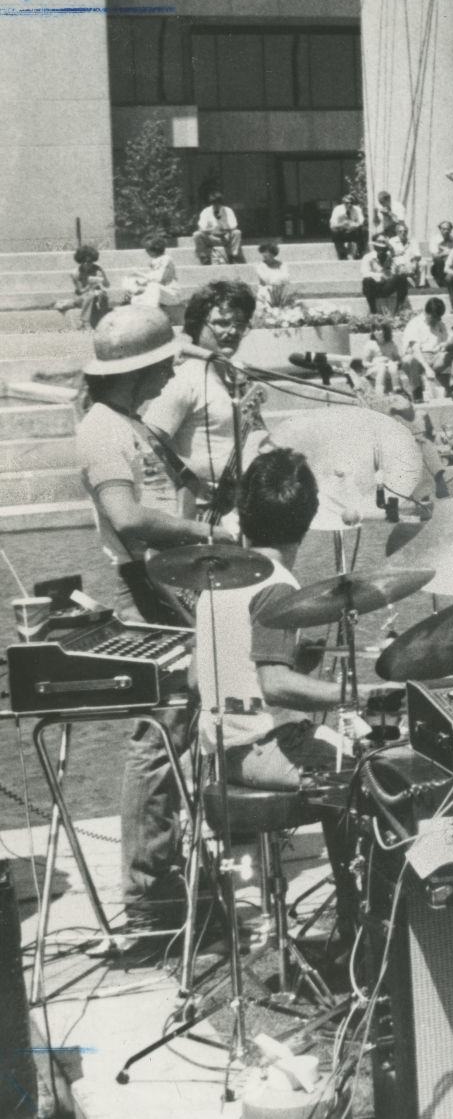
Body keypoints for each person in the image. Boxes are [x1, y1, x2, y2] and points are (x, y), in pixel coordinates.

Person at [77, 308, 236, 947]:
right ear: (136, 368)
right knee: (159, 738)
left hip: (166, 583)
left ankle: (168, 877)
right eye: (165, 360)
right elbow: (127, 516)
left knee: (178, 731)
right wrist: (209, 532)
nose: (174, 368)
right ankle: (152, 901)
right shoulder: (101, 430)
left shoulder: (129, 422)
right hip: (146, 587)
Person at [195, 447, 382, 941]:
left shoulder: (219, 573)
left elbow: (202, 678)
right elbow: (274, 682)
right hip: (261, 750)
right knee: (376, 771)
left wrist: (307, 652)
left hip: (220, 751)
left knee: (349, 756)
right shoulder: (276, 587)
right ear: (306, 521)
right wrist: (356, 696)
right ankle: (362, 924)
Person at [144, 278, 270, 517]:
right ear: (197, 324)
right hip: (201, 513)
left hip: (241, 511)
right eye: (222, 323)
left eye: (240, 324)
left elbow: (256, 435)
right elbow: (148, 440)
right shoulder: (184, 376)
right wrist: (191, 479)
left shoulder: (237, 377)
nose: (232, 331)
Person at [399, 297, 453, 403]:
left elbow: (446, 341)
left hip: (436, 357)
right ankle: (417, 392)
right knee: (409, 360)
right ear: (427, 313)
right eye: (435, 317)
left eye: (439, 317)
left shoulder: (440, 324)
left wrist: (446, 345)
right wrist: (427, 368)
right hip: (419, 359)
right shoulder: (415, 324)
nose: (437, 320)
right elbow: (415, 350)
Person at [123, 233, 182, 310]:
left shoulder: (166, 259)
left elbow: (158, 279)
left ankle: (151, 310)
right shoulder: (155, 261)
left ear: (153, 250)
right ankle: (134, 307)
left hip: (172, 294)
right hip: (161, 292)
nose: (146, 252)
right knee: (130, 281)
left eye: (147, 250)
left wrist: (138, 273)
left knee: (152, 286)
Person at [58, 244, 111, 329]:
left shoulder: (97, 269)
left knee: (103, 295)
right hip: (82, 297)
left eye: (90, 262)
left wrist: (103, 277)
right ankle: (85, 322)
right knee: (90, 295)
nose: (87, 264)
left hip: (96, 295)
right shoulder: (76, 273)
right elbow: (80, 291)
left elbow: (107, 285)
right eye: (84, 262)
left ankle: (104, 320)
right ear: (80, 261)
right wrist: (90, 286)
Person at [361, 236, 412, 317]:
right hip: (374, 287)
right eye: (379, 248)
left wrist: (399, 268)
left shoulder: (390, 257)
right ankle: (373, 311)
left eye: (384, 249)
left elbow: (398, 271)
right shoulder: (368, 257)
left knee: (402, 278)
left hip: (386, 286)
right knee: (367, 281)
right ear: (375, 248)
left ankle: (399, 310)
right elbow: (364, 273)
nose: (381, 251)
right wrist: (380, 276)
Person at [193, 192, 243, 265]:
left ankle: (233, 256)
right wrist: (211, 229)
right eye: (214, 203)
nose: (216, 205)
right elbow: (200, 229)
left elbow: (234, 226)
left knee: (237, 232)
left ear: (221, 203)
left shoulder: (228, 210)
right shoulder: (206, 211)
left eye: (217, 203)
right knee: (196, 234)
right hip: (211, 237)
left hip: (225, 237)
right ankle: (203, 257)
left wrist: (224, 228)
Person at [252, 241, 295, 316]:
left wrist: (276, 279)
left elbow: (286, 278)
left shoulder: (282, 264)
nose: (264, 254)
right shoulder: (260, 266)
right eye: (262, 252)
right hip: (265, 291)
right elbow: (266, 280)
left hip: (280, 289)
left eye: (266, 252)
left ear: (272, 253)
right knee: (268, 291)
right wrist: (278, 278)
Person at [328, 193, 368, 260]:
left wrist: (353, 225)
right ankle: (342, 253)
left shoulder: (357, 209)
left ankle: (360, 252)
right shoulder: (338, 209)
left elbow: (361, 221)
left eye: (351, 203)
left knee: (364, 230)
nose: (349, 205)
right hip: (342, 231)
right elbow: (332, 224)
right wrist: (342, 224)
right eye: (347, 203)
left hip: (353, 230)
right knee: (334, 231)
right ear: (343, 203)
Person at [427, 220, 453, 292]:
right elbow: (435, 256)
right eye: (443, 229)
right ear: (440, 229)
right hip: (438, 266)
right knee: (439, 261)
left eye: (448, 229)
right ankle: (441, 282)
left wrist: (450, 254)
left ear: (451, 230)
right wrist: (445, 253)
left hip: (451, 263)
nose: (446, 231)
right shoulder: (434, 239)